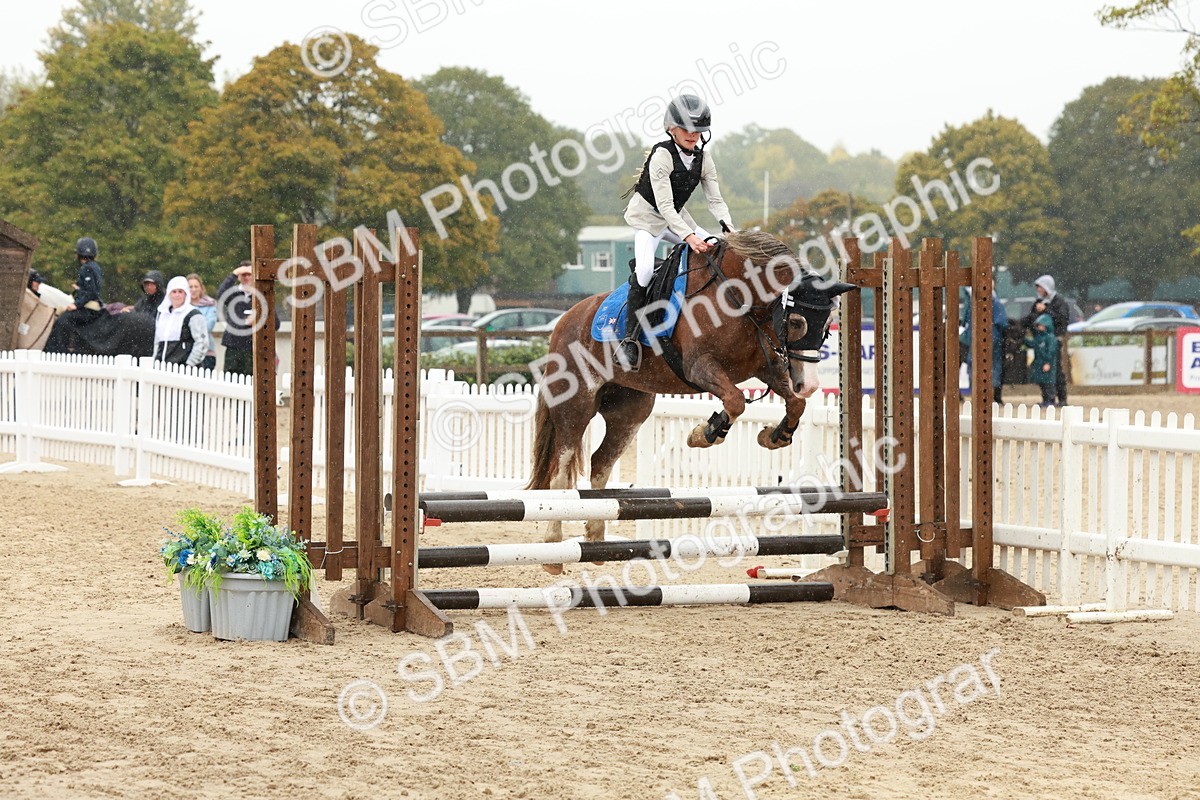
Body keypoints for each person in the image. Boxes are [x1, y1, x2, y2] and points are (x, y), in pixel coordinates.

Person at [619, 94, 734, 371]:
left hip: (677, 219)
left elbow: (715, 200)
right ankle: (630, 341)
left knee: (717, 248)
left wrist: (729, 228)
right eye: (686, 129)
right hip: (648, 219)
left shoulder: (704, 159)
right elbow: (664, 206)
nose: (693, 136)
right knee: (645, 270)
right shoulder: (662, 155)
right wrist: (689, 237)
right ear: (671, 128)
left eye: (698, 131)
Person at [43, 237, 104, 352]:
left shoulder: (87, 268)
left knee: (63, 320)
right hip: (91, 305)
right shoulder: (95, 267)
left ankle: (58, 351)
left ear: (79, 254)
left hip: (88, 307)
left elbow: (92, 292)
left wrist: (77, 304)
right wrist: (79, 289)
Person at [1022, 275, 1069, 406]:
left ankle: (1062, 399)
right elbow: (1032, 320)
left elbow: (1062, 319)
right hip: (1040, 341)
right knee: (1042, 371)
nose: (1038, 289)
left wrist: (1046, 310)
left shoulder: (1059, 302)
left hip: (1054, 340)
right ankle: (1047, 398)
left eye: (1040, 287)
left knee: (1057, 370)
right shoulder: (1038, 302)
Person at [960, 289, 1008, 404]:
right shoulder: (995, 304)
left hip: (979, 340)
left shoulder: (974, 305)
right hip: (988, 340)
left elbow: (965, 322)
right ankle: (987, 396)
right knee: (990, 366)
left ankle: (978, 395)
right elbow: (1003, 323)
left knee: (977, 365)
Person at [153, 276, 209, 367]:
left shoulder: (193, 314)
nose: (177, 295)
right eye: (174, 292)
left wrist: (189, 364)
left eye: (180, 291)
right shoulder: (162, 314)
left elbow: (202, 343)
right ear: (169, 294)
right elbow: (157, 342)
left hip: (185, 369)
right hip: (162, 368)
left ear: (186, 294)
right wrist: (155, 361)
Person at [218, 262, 256, 376]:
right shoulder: (233, 293)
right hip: (233, 345)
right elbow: (221, 295)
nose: (247, 278)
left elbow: (276, 323)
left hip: (252, 347)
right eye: (243, 274)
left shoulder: (261, 296)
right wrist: (233, 274)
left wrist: (258, 320)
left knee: (250, 380)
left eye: (249, 274)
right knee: (230, 379)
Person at [1024, 313, 1058, 407]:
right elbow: (1032, 344)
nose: (1039, 327)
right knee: (1042, 383)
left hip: (1046, 364)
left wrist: (1048, 363)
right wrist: (1024, 339)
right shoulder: (1039, 337)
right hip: (1039, 363)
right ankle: (1045, 400)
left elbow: (1051, 352)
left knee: (1049, 383)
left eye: (1041, 325)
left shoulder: (1050, 338)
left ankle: (1051, 400)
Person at [187, 273, 218, 370]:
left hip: (206, 352)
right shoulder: (182, 307)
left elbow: (209, 326)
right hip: (186, 352)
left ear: (201, 288)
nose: (193, 289)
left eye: (196, 286)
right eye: (190, 287)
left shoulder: (209, 304)